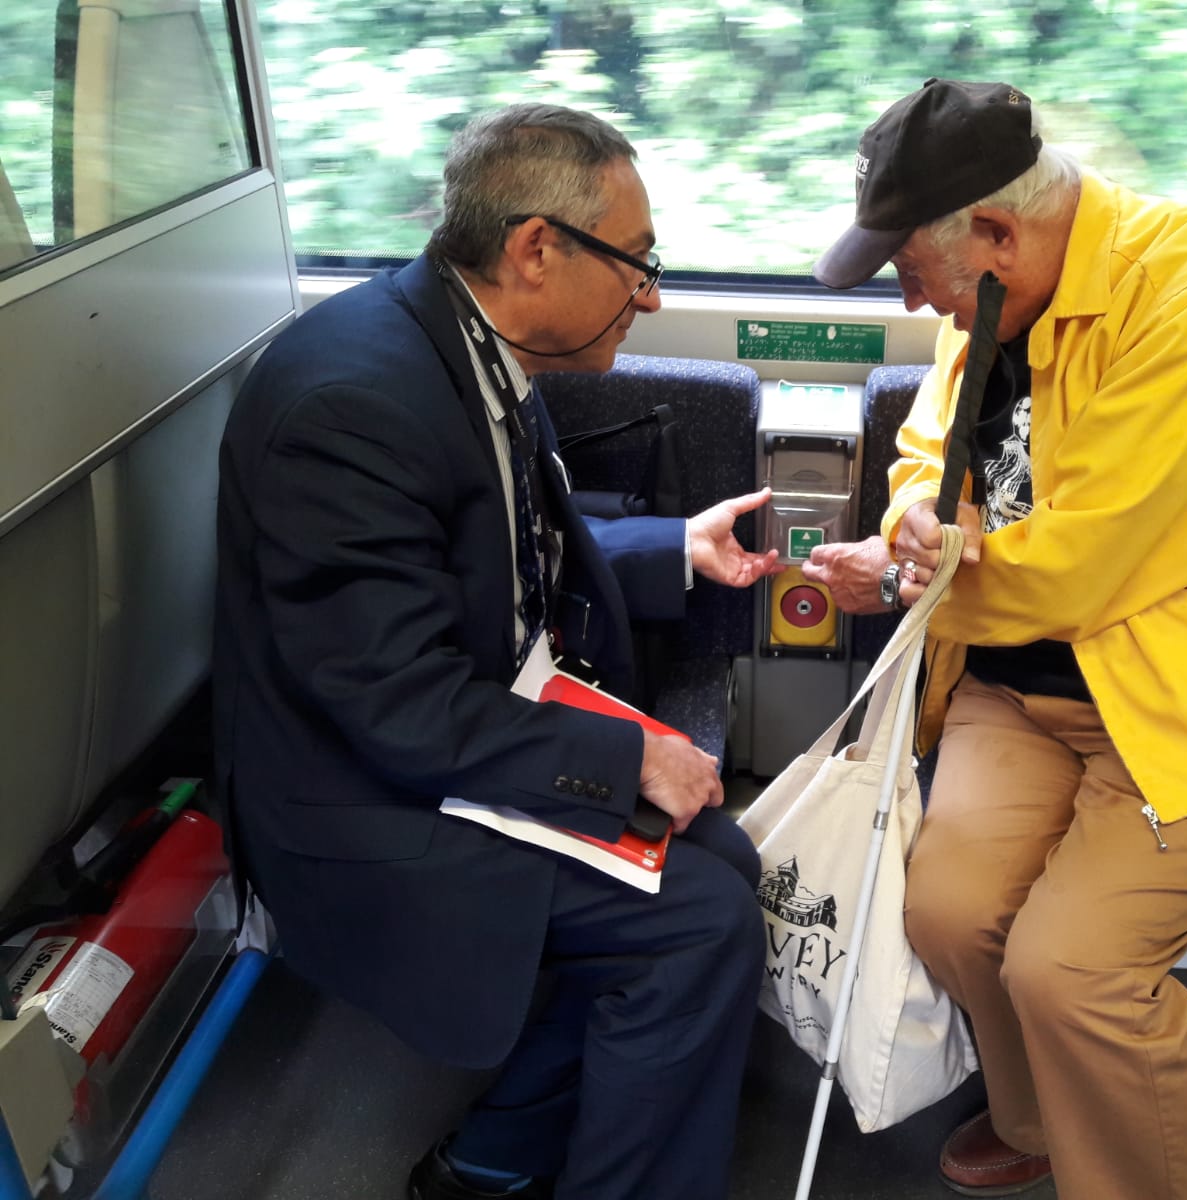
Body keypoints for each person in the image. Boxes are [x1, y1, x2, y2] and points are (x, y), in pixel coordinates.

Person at [213, 103, 782, 1200]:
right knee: (694, 923)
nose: (651, 296)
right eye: (638, 264)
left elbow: (478, 559)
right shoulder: (353, 403)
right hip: (360, 803)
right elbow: (398, 703)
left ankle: (495, 1159)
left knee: (722, 854)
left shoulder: (453, 342)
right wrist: (626, 765)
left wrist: (671, 546)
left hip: (441, 738)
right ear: (535, 250)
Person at [803, 79, 1187, 1200]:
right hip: (1022, 683)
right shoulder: (994, 300)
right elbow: (926, 453)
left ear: (996, 233)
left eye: (915, 277)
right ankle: (1047, 1119)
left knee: (1074, 975)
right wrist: (912, 522)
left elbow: (1090, 565)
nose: (920, 308)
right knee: (949, 916)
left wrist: (914, 581)